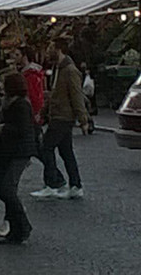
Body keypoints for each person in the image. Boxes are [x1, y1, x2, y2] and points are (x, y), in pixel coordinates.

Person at [0, 72, 36, 245]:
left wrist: (5, 128)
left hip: (19, 152)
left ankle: (22, 226)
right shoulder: (6, 102)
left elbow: (23, 129)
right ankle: (16, 227)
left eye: (5, 83)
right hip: (5, 150)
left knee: (7, 188)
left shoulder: (21, 105)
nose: (2, 86)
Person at [32, 39, 88, 200]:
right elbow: (52, 94)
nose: (47, 51)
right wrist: (43, 112)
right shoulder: (58, 69)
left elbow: (77, 96)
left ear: (59, 49)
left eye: (50, 48)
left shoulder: (70, 71)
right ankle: (75, 185)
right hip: (58, 114)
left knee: (46, 147)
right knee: (66, 152)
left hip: (63, 116)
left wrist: (83, 120)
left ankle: (52, 184)